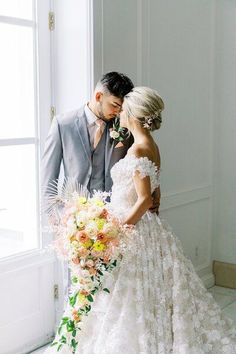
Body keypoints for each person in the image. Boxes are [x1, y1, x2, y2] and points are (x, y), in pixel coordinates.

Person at [45, 87, 236, 353]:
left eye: (123, 109)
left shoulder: (137, 152)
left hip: (133, 228)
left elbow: (145, 199)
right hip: (147, 226)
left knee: (129, 295)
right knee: (148, 291)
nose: (119, 113)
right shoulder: (151, 146)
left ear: (133, 114)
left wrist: (118, 231)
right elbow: (156, 191)